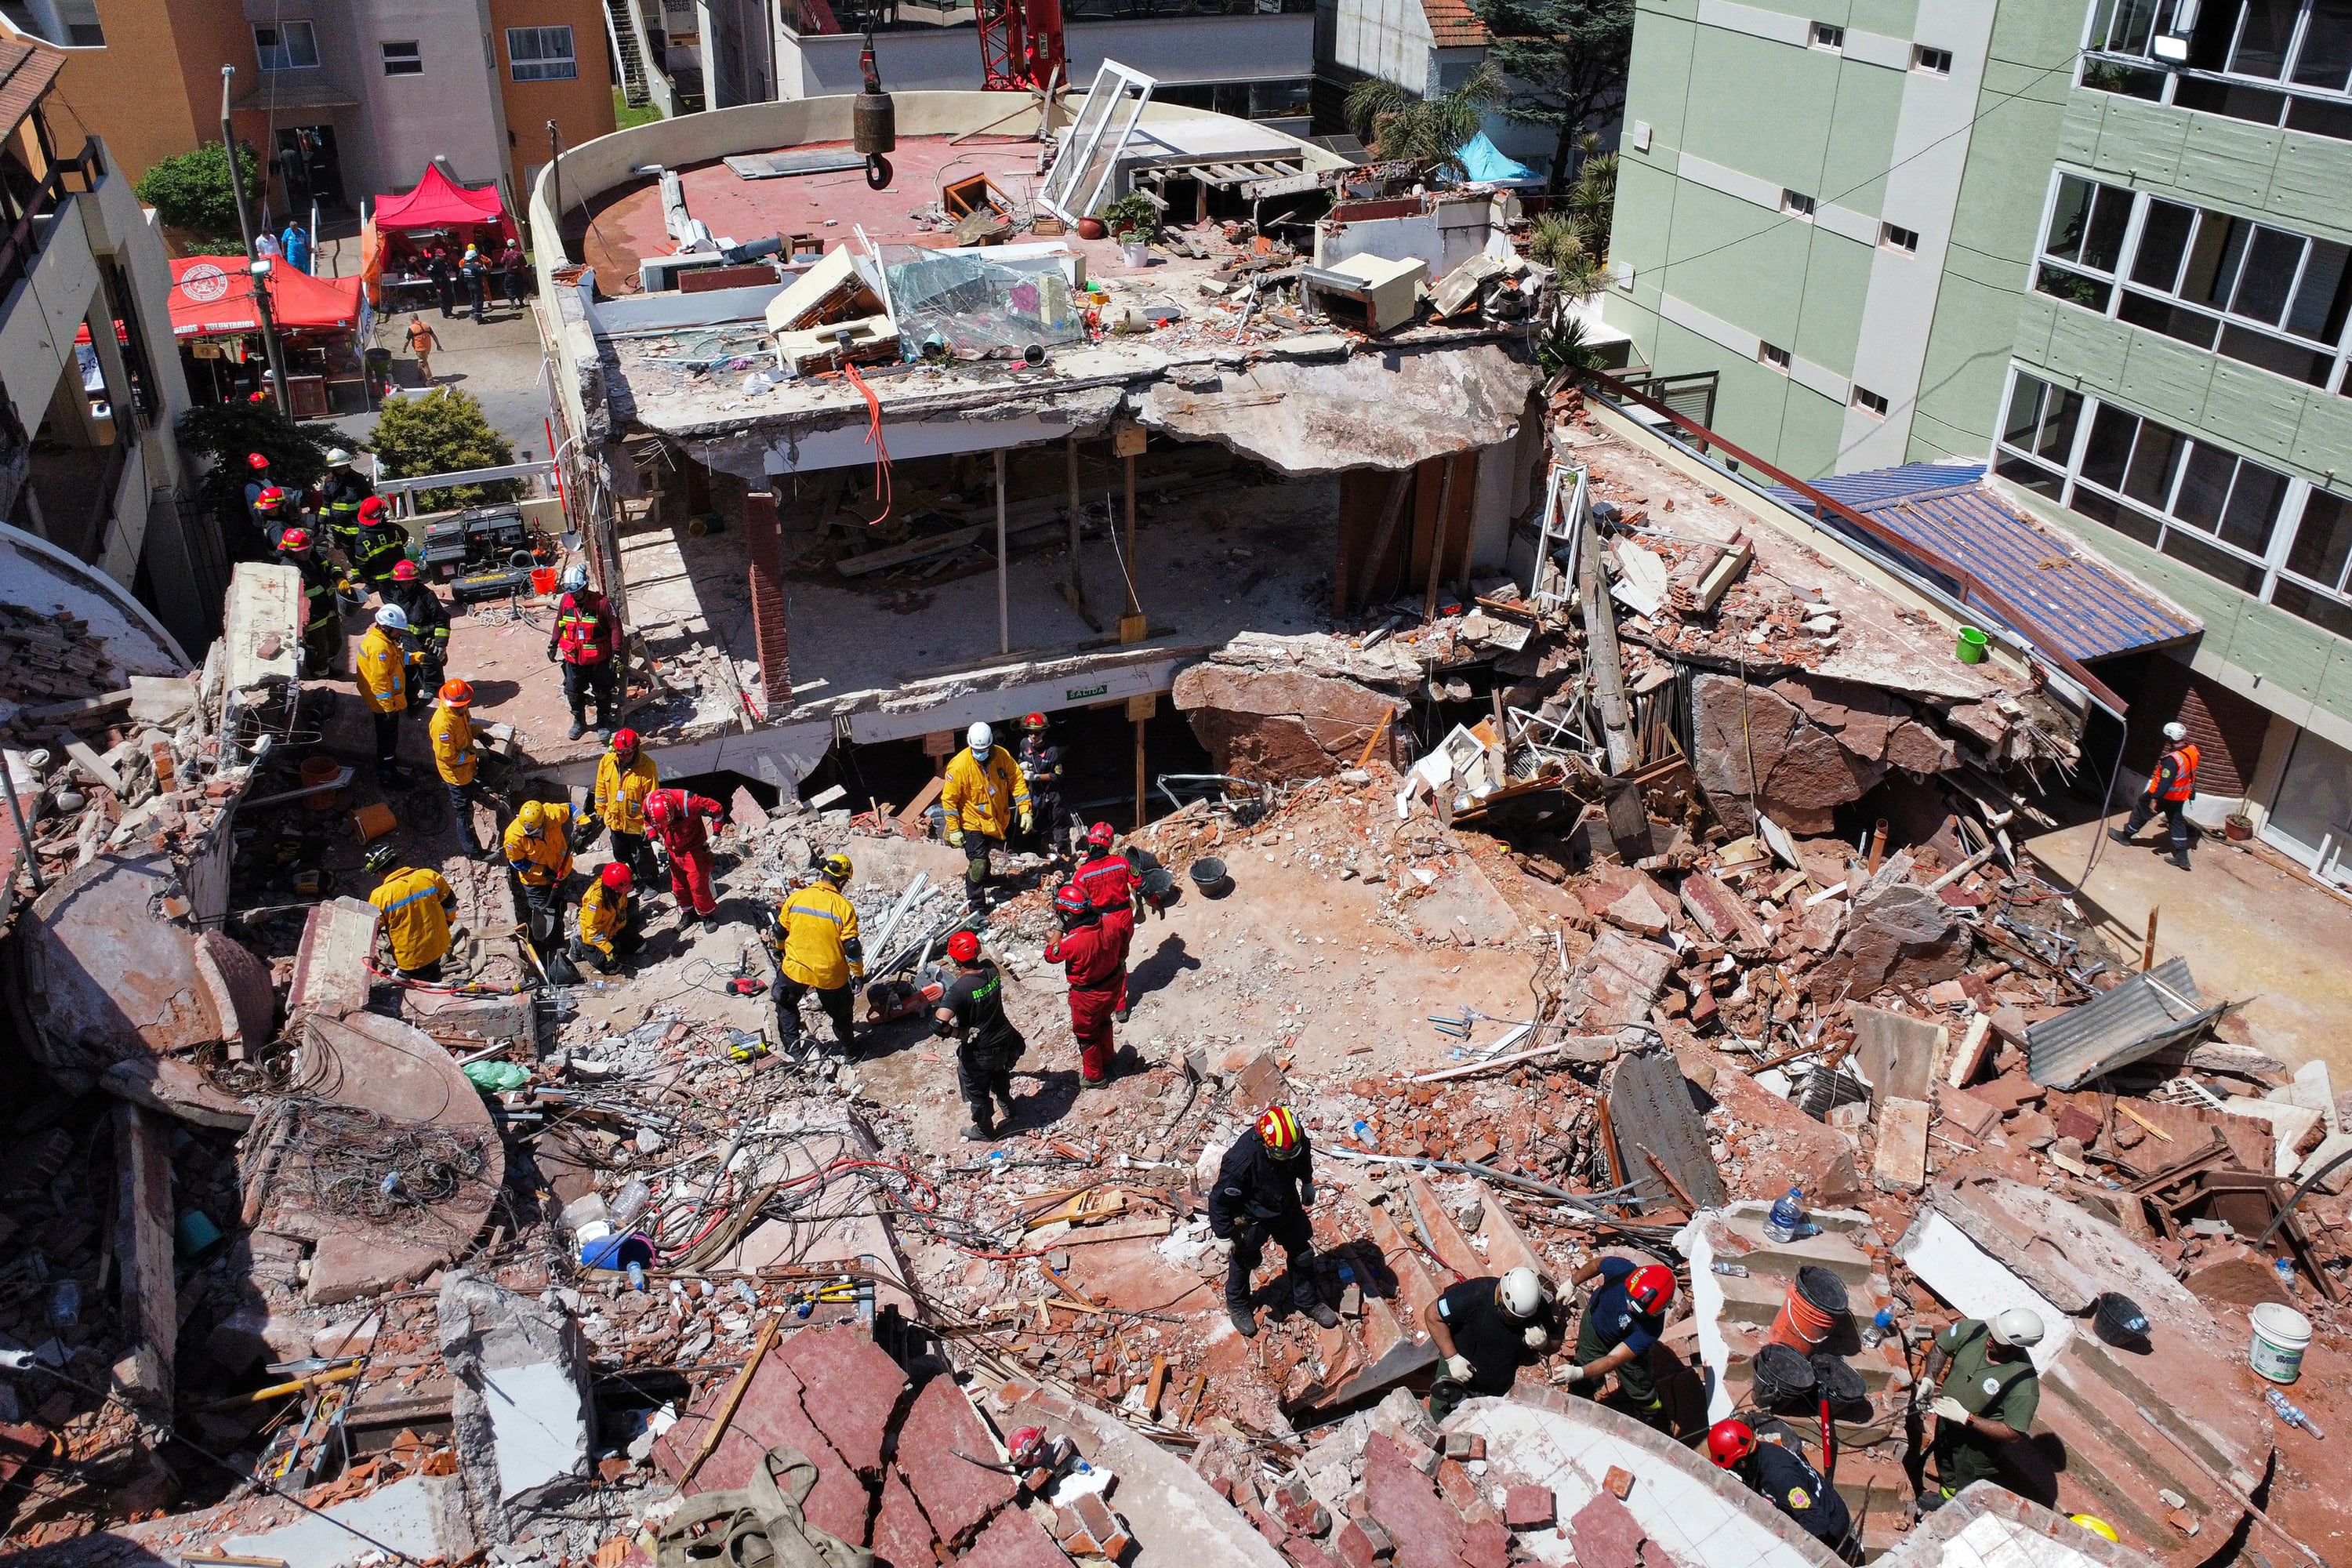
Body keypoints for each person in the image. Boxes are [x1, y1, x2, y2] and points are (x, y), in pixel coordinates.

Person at [1209, 1106, 1340, 1338]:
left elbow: (1303, 1155)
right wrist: (1223, 1235)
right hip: (1253, 1215)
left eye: (1291, 1152)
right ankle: (1237, 1303)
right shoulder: (1241, 1161)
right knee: (1245, 1259)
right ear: (1264, 1143)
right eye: (1281, 1154)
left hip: (1285, 1204)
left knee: (1302, 1253)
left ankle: (1307, 1301)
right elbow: (1219, 1201)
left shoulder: (1292, 1140)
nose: (1287, 1158)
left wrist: (1307, 1182)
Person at [1916, 1308, 2042, 1512]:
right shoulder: (1973, 1331)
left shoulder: (2024, 1386)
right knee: (1945, 1460)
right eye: (1993, 1331)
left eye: (1999, 1340)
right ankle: (1946, 1495)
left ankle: (1958, 1513)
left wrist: (1968, 1419)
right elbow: (1942, 1346)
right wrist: (1930, 1378)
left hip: (1977, 1445)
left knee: (1968, 1482)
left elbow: (2013, 1432)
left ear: (2017, 1347)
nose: (1991, 1338)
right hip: (1947, 1421)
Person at [1423, 1266, 1563, 1422]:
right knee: (1443, 1420)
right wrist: (1452, 1358)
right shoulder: (1476, 1293)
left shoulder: (1535, 1306)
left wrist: (1544, 1344)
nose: (1517, 1322)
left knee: (1484, 1425)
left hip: (1497, 1385)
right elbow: (1433, 1315)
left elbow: (1556, 1341)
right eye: (1513, 1316)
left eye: (1522, 1319)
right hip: (1458, 1371)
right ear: (1500, 1298)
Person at [1708, 1421, 1856, 1559]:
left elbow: (1816, 1521)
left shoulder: (1779, 1477)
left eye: (1732, 1467)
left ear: (1742, 1464)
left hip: (1832, 1531)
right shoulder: (1762, 1454)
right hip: (1821, 1508)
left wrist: (1784, 1545)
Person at [1559, 1255, 1678, 1427]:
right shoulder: (1621, 1269)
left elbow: (1614, 1358)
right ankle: (1579, 1403)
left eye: (1636, 1309)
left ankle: (1650, 1412)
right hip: (1595, 1327)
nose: (1629, 1307)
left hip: (1624, 1342)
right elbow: (1596, 1264)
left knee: (1639, 1383)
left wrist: (1580, 1372)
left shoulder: (1650, 1329)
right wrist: (1572, 1283)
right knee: (1584, 1374)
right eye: (1629, 1299)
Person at [933, 929, 1025, 1142]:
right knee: (999, 1072)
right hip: (1003, 1037)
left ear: (956, 960)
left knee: (977, 1090)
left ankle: (984, 1130)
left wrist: (959, 1033)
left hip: (980, 1049)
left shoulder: (959, 990)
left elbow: (938, 1023)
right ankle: (1008, 1105)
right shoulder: (991, 969)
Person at [771, 854, 863, 1054]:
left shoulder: (797, 898)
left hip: (796, 967)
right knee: (841, 1015)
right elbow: (852, 947)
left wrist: (780, 949)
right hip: (829, 974)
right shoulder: (843, 907)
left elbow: (779, 930)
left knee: (786, 1003)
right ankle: (851, 1053)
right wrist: (858, 974)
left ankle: (794, 1053)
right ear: (841, 881)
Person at [942, 720, 1030, 913]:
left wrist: (1025, 810)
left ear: (991, 744)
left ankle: (987, 878)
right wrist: (954, 829)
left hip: (994, 819)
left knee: (986, 851)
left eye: (984, 749)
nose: (980, 753)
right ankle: (977, 908)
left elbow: (1016, 780)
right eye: (976, 750)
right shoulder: (959, 766)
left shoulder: (1002, 756)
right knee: (978, 862)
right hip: (971, 821)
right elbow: (949, 800)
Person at [1044, 881, 1123, 1085]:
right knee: (1104, 1022)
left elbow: (1050, 955)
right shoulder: (1112, 922)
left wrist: (1059, 928)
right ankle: (1109, 1059)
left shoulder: (1072, 943)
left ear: (1068, 915)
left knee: (1087, 1036)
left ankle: (1095, 1077)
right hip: (1113, 984)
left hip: (1087, 996)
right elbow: (1122, 952)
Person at [1071, 822, 1141, 1022]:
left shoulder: (1082, 874)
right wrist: (1155, 900)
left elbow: (1077, 903)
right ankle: (1121, 1007)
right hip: (1124, 918)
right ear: (1109, 843)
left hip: (1101, 922)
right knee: (1120, 961)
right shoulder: (1122, 863)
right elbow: (1139, 883)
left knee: (1102, 963)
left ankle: (1103, 1002)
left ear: (1091, 842)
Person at [2110, 720, 2198, 870]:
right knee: (2176, 822)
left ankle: (2125, 836)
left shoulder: (2172, 760)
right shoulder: (2192, 751)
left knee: (2141, 811)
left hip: (2165, 796)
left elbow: (2165, 782)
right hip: (2179, 796)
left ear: (2170, 737)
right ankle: (2182, 857)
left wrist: (2155, 799)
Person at [548, 564, 621, 740]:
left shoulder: (602, 604)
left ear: (585, 587)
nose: (575, 596)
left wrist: (617, 653)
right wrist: (553, 643)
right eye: (572, 593)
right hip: (574, 659)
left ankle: (603, 722)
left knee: (602, 692)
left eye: (577, 592)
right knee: (573, 692)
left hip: (599, 660)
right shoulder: (566, 601)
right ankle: (579, 721)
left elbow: (616, 628)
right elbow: (559, 622)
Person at [365, 843, 459, 982]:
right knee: (433, 969)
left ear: (380, 873)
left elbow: (373, 931)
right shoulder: (429, 876)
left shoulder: (379, 896)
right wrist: (448, 923)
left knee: (418, 980)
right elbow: (450, 902)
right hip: (440, 945)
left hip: (411, 961)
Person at [430, 679, 494, 858]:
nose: (464, 707)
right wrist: (472, 756)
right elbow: (448, 756)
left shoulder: (460, 708)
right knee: (464, 813)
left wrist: (479, 733)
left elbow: (469, 721)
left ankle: (477, 793)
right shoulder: (442, 725)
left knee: (473, 785)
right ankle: (473, 851)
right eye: (461, 705)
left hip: (467, 767)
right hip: (455, 774)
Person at [645, 787, 724, 925]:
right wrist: (653, 841)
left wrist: (716, 835)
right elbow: (648, 822)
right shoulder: (648, 805)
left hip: (693, 848)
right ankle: (688, 912)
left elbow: (717, 810)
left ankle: (707, 915)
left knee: (698, 885)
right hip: (672, 849)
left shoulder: (689, 802)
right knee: (678, 885)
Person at [591, 728, 659, 885]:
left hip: (637, 824)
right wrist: (600, 809)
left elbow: (651, 798)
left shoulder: (647, 767)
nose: (623, 756)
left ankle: (651, 883)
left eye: (627, 752)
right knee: (621, 855)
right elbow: (601, 786)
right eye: (620, 752)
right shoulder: (608, 761)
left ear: (635, 748)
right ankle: (632, 881)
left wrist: (650, 826)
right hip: (615, 820)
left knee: (643, 857)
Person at [279, 527, 350, 676]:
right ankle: (320, 675)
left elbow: (331, 566)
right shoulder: (289, 569)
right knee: (319, 649)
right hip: (313, 618)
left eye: (308, 549)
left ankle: (328, 667)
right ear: (291, 552)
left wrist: (339, 578)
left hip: (329, 608)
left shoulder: (314, 556)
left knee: (335, 643)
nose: (307, 553)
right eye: (302, 551)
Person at [503, 799, 577, 934]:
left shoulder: (551, 815)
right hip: (535, 882)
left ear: (541, 822)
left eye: (532, 830)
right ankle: (542, 936)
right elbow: (516, 862)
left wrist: (583, 820)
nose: (527, 832)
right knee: (541, 910)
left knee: (557, 902)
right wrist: (543, 871)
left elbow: (570, 808)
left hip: (560, 871)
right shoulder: (513, 837)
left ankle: (558, 921)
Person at [357, 604, 412, 785]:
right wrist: (388, 709)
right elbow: (379, 682)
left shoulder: (384, 641)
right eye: (397, 629)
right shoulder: (379, 648)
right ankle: (387, 772)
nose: (400, 633)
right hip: (383, 704)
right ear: (385, 627)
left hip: (386, 701)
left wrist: (418, 658)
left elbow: (397, 657)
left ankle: (389, 761)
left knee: (389, 735)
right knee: (387, 737)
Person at [384, 561, 449, 701]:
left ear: (415, 580)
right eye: (402, 583)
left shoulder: (426, 596)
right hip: (408, 642)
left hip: (428, 643)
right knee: (411, 668)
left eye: (408, 582)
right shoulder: (397, 596)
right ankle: (419, 689)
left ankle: (434, 693)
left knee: (431, 668)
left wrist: (440, 643)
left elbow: (441, 619)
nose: (406, 586)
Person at [571, 862, 646, 975]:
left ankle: (616, 944)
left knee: (639, 947)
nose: (631, 885)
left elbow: (623, 905)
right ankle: (580, 943)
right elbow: (593, 932)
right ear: (617, 886)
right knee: (611, 967)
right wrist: (607, 948)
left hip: (614, 927)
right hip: (598, 936)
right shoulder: (595, 902)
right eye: (628, 884)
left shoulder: (616, 890)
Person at [1016, 713, 1065, 861]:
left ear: (1044, 732)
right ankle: (1036, 851)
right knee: (1036, 822)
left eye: (1037, 733)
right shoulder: (1024, 744)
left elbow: (1057, 776)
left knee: (1058, 822)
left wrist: (1037, 777)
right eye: (1030, 732)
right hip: (1035, 792)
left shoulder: (1052, 751)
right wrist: (1021, 766)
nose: (1033, 736)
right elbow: (1020, 760)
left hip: (1051, 792)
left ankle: (1063, 852)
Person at [316, 448, 374, 561]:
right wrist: (322, 521)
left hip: (357, 523)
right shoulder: (329, 481)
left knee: (364, 551)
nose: (342, 470)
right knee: (349, 552)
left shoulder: (358, 479)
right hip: (339, 527)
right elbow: (326, 503)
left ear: (348, 465)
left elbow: (369, 499)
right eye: (339, 468)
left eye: (344, 467)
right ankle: (355, 570)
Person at [354, 495, 411, 597]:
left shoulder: (362, 539)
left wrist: (370, 583)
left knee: (391, 604)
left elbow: (362, 565)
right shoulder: (395, 529)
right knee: (409, 599)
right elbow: (405, 541)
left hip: (382, 583)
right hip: (402, 575)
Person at [250, 485, 296, 551]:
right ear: (274, 509)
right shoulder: (277, 528)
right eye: (284, 503)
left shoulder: (269, 519)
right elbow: (284, 549)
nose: (285, 504)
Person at [406, 314, 439, 383]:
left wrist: (404, 349)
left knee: (424, 364)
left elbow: (407, 340)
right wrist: (438, 345)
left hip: (420, 349)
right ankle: (420, 374)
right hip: (428, 347)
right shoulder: (426, 325)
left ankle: (430, 380)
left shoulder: (412, 328)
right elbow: (434, 336)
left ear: (412, 320)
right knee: (421, 360)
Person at [461, 245, 487, 324]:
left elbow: (461, 277)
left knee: (473, 299)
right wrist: (483, 265)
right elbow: (485, 273)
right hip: (477, 285)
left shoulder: (463, 267)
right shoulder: (476, 266)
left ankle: (474, 312)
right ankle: (478, 317)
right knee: (479, 300)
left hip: (469, 285)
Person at [427, 245, 455, 318]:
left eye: (443, 256)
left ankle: (449, 311)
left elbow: (447, 269)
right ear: (437, 256)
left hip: (446, 281)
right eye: (441, 256)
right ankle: (445, 313)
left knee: (449, 297)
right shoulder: (434, 263)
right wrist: (437, 286)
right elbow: (429, 272)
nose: (442, 257)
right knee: (443, 298)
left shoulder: (444, 261)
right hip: (439, 284)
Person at [500, 240, 527, 308]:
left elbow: (502, 262)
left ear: (508, 246)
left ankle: (513, 302)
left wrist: (504, 254)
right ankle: (521, 302)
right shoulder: (519, 254)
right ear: (515, 245)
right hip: (519, 273)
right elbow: (524, 263)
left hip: (510, 274)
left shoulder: (506, 254)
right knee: (520, 287)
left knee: (508, 287)